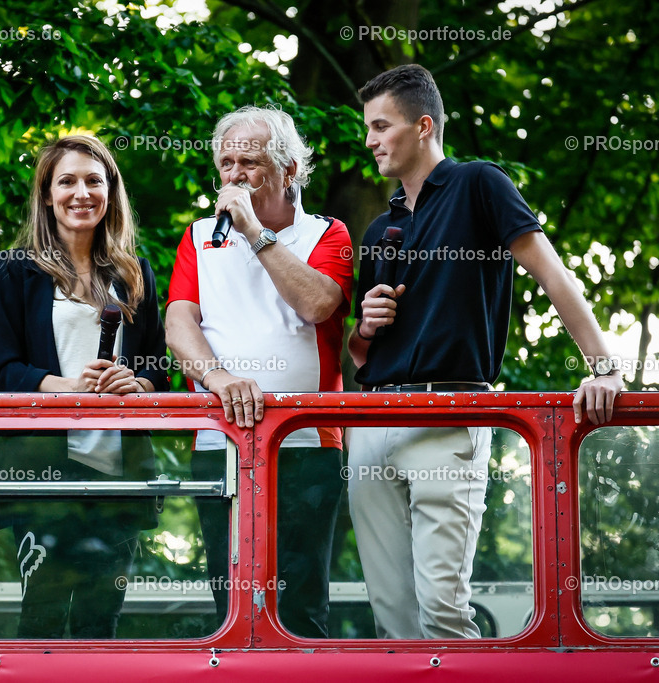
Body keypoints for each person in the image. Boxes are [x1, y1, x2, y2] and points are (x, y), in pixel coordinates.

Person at [347, 64, 623, 639]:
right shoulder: (379, 230)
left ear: (423, 126)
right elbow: (356, 356)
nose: (369, 140)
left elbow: (554, 277)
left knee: (443, 611)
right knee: (391, 616)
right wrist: (365, 329)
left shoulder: (479, 184)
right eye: (367, 128)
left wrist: (605, 369)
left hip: (449, 413)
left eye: (380, 126)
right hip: (373, 419)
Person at [166, 106, 353, 637]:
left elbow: (319, 305)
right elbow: (179, 324)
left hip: (306, 446)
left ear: (290, 170)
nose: (234, 175)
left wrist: (255, 233)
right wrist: (220, 380)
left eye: (249, 161)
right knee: (227, 606)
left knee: (298, 604)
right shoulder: (199, 236)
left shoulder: (327, 233)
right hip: (218, 442)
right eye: (226, 163)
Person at [0, 135, 168, 638]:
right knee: (41, 618)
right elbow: (1, 372)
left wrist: (138, 384)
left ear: (111, 190)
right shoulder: (13, 272)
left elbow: (160, 372)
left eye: (94, 179)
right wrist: (68, 388)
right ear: (47, 195)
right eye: (66, 181)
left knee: (99, 624)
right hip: (42, 477)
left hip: (118, 480)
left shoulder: (135, 275)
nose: (81, 192)